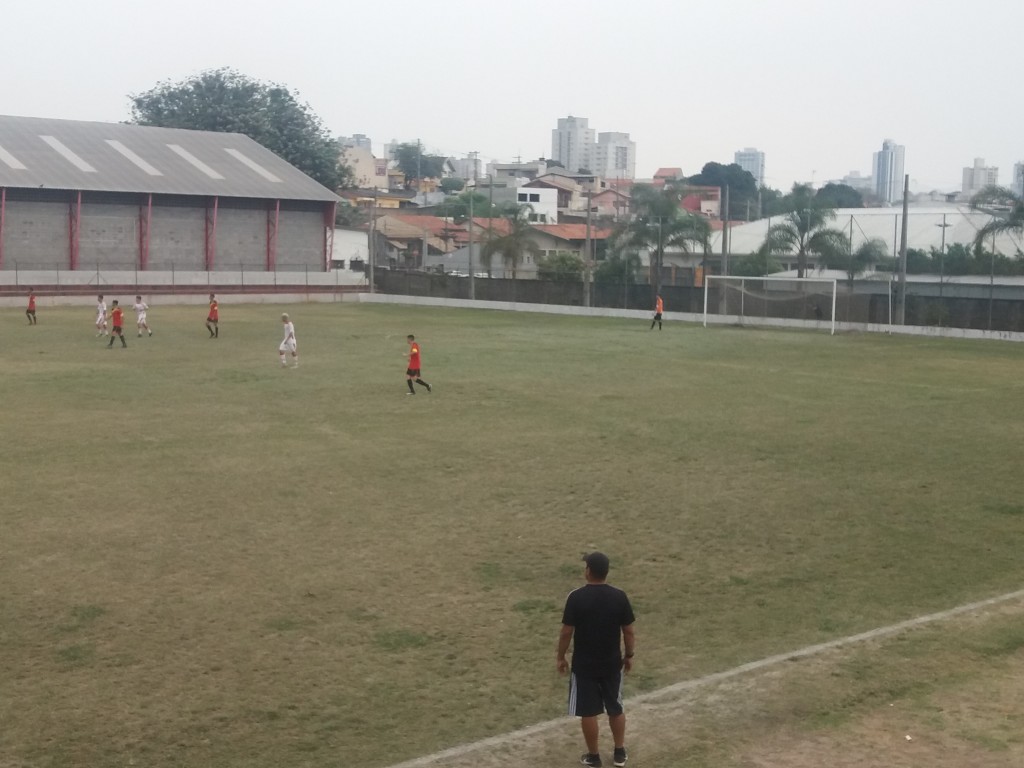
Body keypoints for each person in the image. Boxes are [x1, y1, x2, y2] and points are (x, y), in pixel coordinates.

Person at [557, 552, 635, 768]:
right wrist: (629, 655)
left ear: (589, 571)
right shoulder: (619, 596)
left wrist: (561, 656)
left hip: (584, 666)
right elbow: (628, 631)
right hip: (612, 663)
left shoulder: (576, 597)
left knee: (588, 711)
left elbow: (566, 632)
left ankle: (594, 756)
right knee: (616, 707)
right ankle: (619, 752)